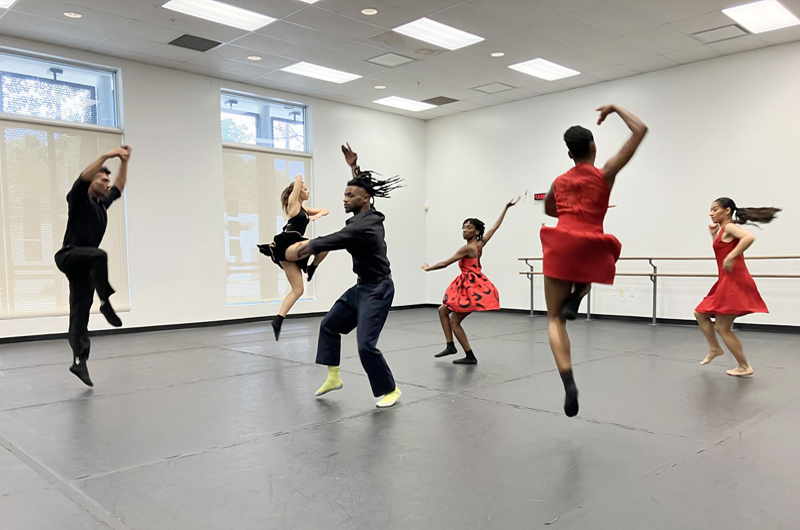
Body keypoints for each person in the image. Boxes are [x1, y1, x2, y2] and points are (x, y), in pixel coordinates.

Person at [541, 105, 647, 417]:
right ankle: (579, 294)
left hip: (562, 242)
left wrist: (569, 211)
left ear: (569, 154)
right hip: (590, 242)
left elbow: (548, 209)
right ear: (592, 148)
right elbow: (640, 130)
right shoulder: (605, 174)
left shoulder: (559, 181)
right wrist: (614, 108)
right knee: (590, 263)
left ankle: (568, 382)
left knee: (554, 320)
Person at [292, 145, 403, 408]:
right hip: (362, 287)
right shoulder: (368, 214)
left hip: (378, 289)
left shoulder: (364, 227)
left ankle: (391, 390)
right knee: (329, 325)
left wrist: (303, 248)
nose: (344, 199)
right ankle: (333, 377)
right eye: (344, 194)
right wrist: (354, 167)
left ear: (363, 200)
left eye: (350, 196)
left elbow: (333, 240)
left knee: (365, 345)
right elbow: (364, 187)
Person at [54, 146, 131, 387]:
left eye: (108, 180)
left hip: (84, 266)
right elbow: (83, 176)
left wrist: (125, 162)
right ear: (92, 181)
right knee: (99, 255)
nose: (108, 183)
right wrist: (108, 156)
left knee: (80, 313)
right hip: (69, 255)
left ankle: (79, 361)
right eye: (103, 179)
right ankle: (106, 301)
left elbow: (119, 186)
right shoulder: (78, 198)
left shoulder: (101, 206)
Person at [422, 198, 519, 364]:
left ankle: (464, 353)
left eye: (469, 228)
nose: (464, 230)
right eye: (463, 227)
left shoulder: (467, 248)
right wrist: (506, 208)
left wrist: (429, 268)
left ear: (476, 232)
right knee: (443, 311)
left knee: (453, 320)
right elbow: (495, 227)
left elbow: (446, 263)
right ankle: (453, 346)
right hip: (472, 284)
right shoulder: (480, 244)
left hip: (471, 287)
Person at [695, 198, 780, 376]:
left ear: (727, 211)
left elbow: (749, 237)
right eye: (710, 210)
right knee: (700, 313)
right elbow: (721, 250)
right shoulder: (722, 229)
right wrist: (713, 235)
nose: (711, 213)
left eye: (715, 209)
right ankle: (715, 348)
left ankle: (744, 366)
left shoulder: (730, 227)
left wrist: (732, 256)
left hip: (734, 281)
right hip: (726, 280)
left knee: (722, 327)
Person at [257, 175, 329, 340]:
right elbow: (295, 188)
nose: (307, 191)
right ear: (297, 192)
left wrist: (319, 215)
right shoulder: (293, 205)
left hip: (287, 252)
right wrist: (299, 179)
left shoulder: (304, 209)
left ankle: (278, 320)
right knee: (324, 243)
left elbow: (326, 210)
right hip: (288, 243)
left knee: (298, 289)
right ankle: (312, 268)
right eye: (305, 189)